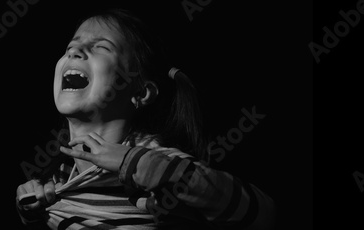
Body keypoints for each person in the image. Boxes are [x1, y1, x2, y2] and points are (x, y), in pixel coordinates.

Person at [16, 9, 275, 230]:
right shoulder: (60, 176)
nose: (76, 52)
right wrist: (31, 211)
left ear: (140, 92)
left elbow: (264, 214)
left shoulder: (159, 167)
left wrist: (135, 164)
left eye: (101, 47)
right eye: (71, 47)